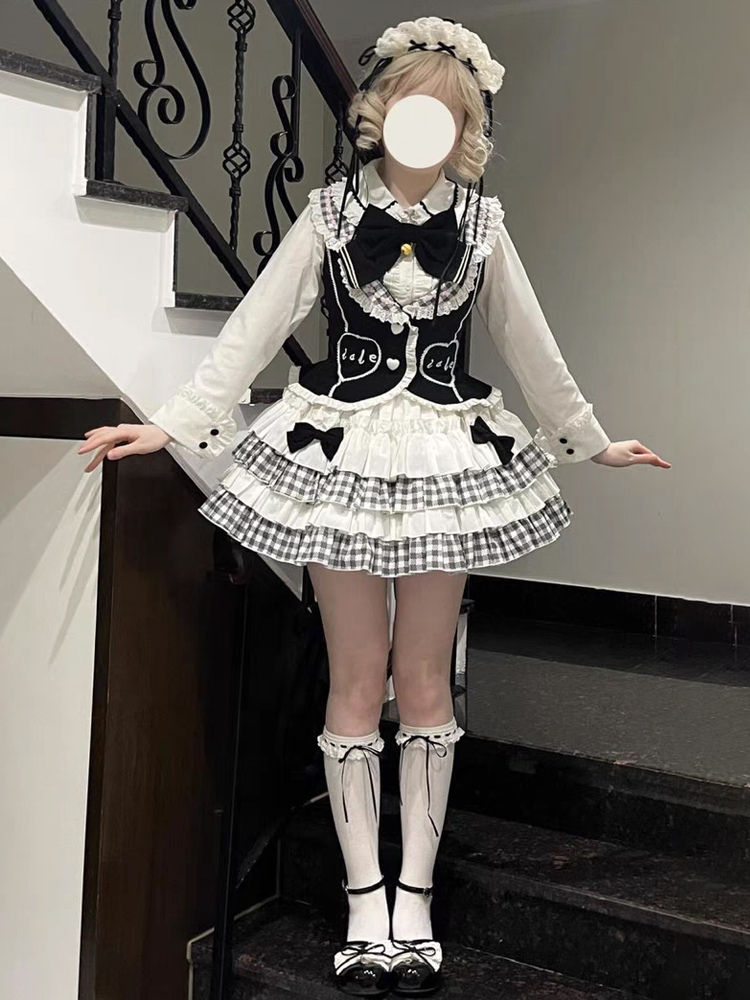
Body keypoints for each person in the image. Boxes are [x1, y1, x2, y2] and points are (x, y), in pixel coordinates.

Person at [78, 16, 670, 997]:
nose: (425, 127)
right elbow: (256, 324)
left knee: (424, 682)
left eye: (448, 115)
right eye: (410, 108)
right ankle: (363, 901)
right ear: (379, 113)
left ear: (466, 130)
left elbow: (530, 341)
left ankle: (415, 898)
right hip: (340, 452)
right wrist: (172, 424)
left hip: (443, 455)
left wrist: (588, 437)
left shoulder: (482, 225)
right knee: (355, 681)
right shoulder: (328, 215)